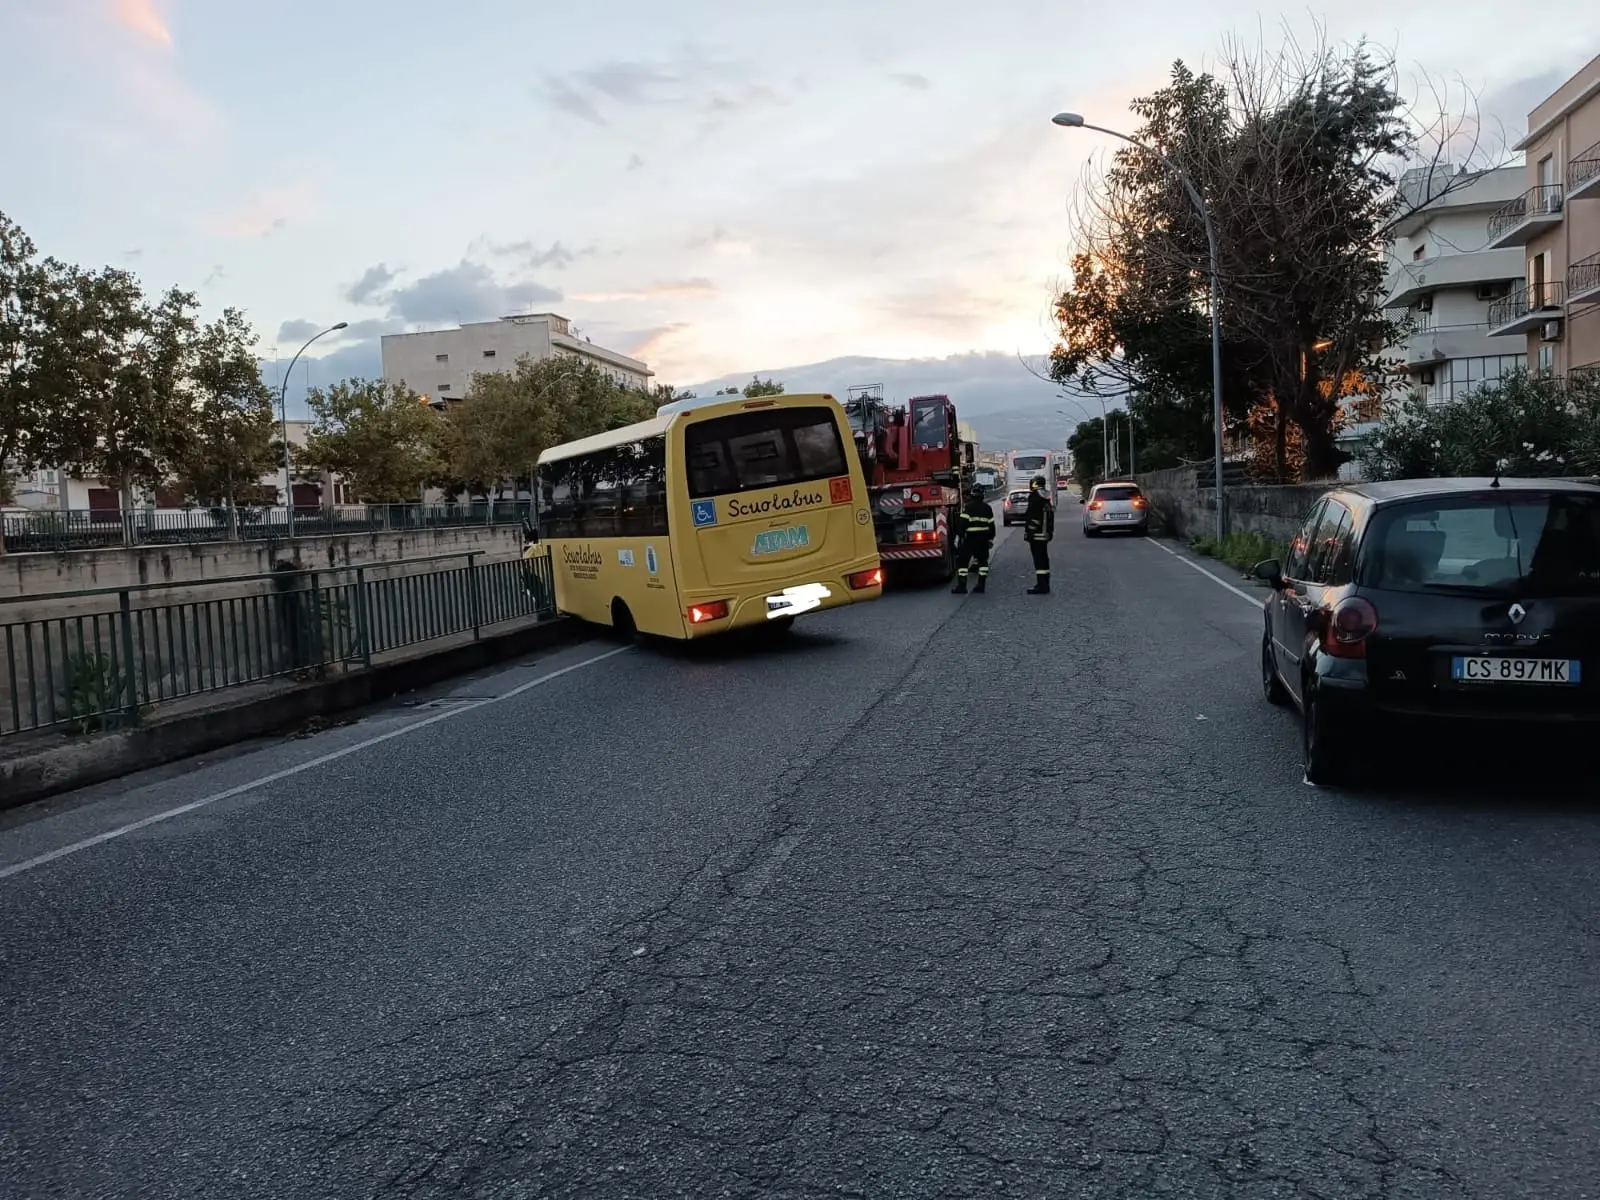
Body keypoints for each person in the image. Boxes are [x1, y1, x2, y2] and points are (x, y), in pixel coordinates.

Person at [950, 483, 996, 594]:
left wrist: (959, 537)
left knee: (963, 562)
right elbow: (991, 525)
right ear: (983, 495)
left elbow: (962, 524)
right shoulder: (987, 508)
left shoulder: (968, 507)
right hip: (983, 539)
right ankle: (981, 586)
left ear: (972, 494)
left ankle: (962, 586)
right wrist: (990, 539)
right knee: (983, 562)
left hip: (970, 539)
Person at [1022, 474, 1054, 594]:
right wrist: (1050, 532)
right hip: (1044, 533)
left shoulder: (1034, 497)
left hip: (1035, 535)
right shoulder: (1046, 497)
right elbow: (1049, 516)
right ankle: (1044, 584)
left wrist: (1029, 532)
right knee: (1044, 559)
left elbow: (1031, 517)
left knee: (1038, 560)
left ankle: (1041, 586)